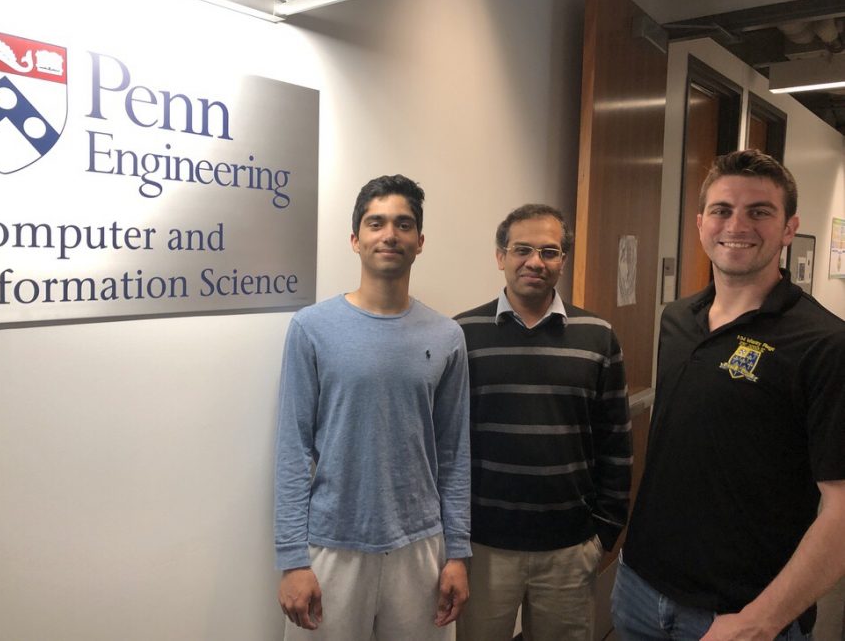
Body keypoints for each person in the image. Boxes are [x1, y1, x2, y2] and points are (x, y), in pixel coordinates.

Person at [612, 149, 845, 640]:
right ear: (700, 224)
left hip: (739, 615)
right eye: (722, 210)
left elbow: (841, 508)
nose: (737, 224)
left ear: (788, 228)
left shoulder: (824, 343)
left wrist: (762, 621)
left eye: (759, 211)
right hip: (638, 589)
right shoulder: (677, 319)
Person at [274, 174, 471, 640]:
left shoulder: (447, 337)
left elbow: (455, 453)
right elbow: (292, 448)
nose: (389, 234)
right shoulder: (311, 328)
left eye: (403, 225)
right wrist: (292, 560)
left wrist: (458, 553)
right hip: (331, 545)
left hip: (420, 546)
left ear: (419, 242)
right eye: (376, 222)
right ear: (355, 238)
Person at [454, 204, 632, 641]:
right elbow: (447, 445)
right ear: (501, 256)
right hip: (485, 547)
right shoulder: (461, 334)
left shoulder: (598, 336)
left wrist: (604, 533)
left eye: (550, 251)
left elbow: (617, 441)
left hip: (569, 549)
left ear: (563, 261)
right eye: (523, 249)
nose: (536, 261)